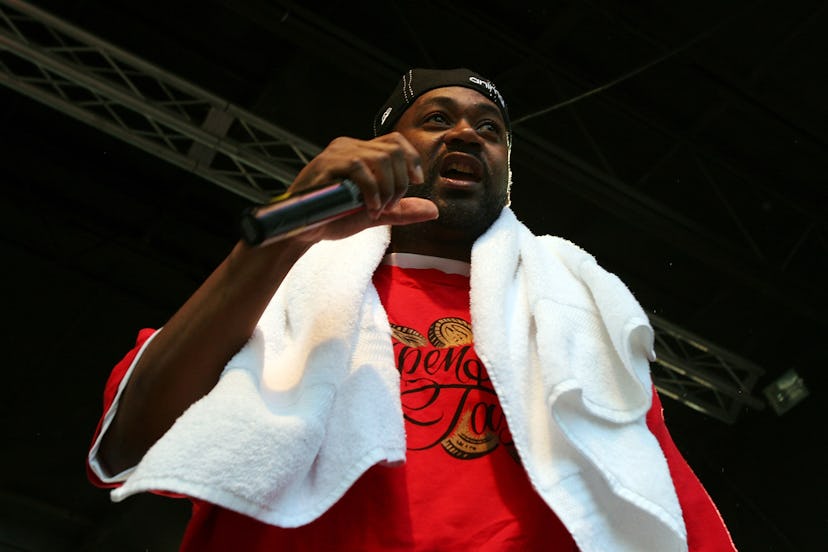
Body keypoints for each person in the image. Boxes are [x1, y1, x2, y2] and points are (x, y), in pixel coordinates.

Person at [87, 68, 736, 551]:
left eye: (490, 129)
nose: (466, 133)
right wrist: (281, 234)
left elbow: (669, 508)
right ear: (382, 153)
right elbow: (126, 446)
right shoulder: (280, 288)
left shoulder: (574, 322)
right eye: (436, 119)